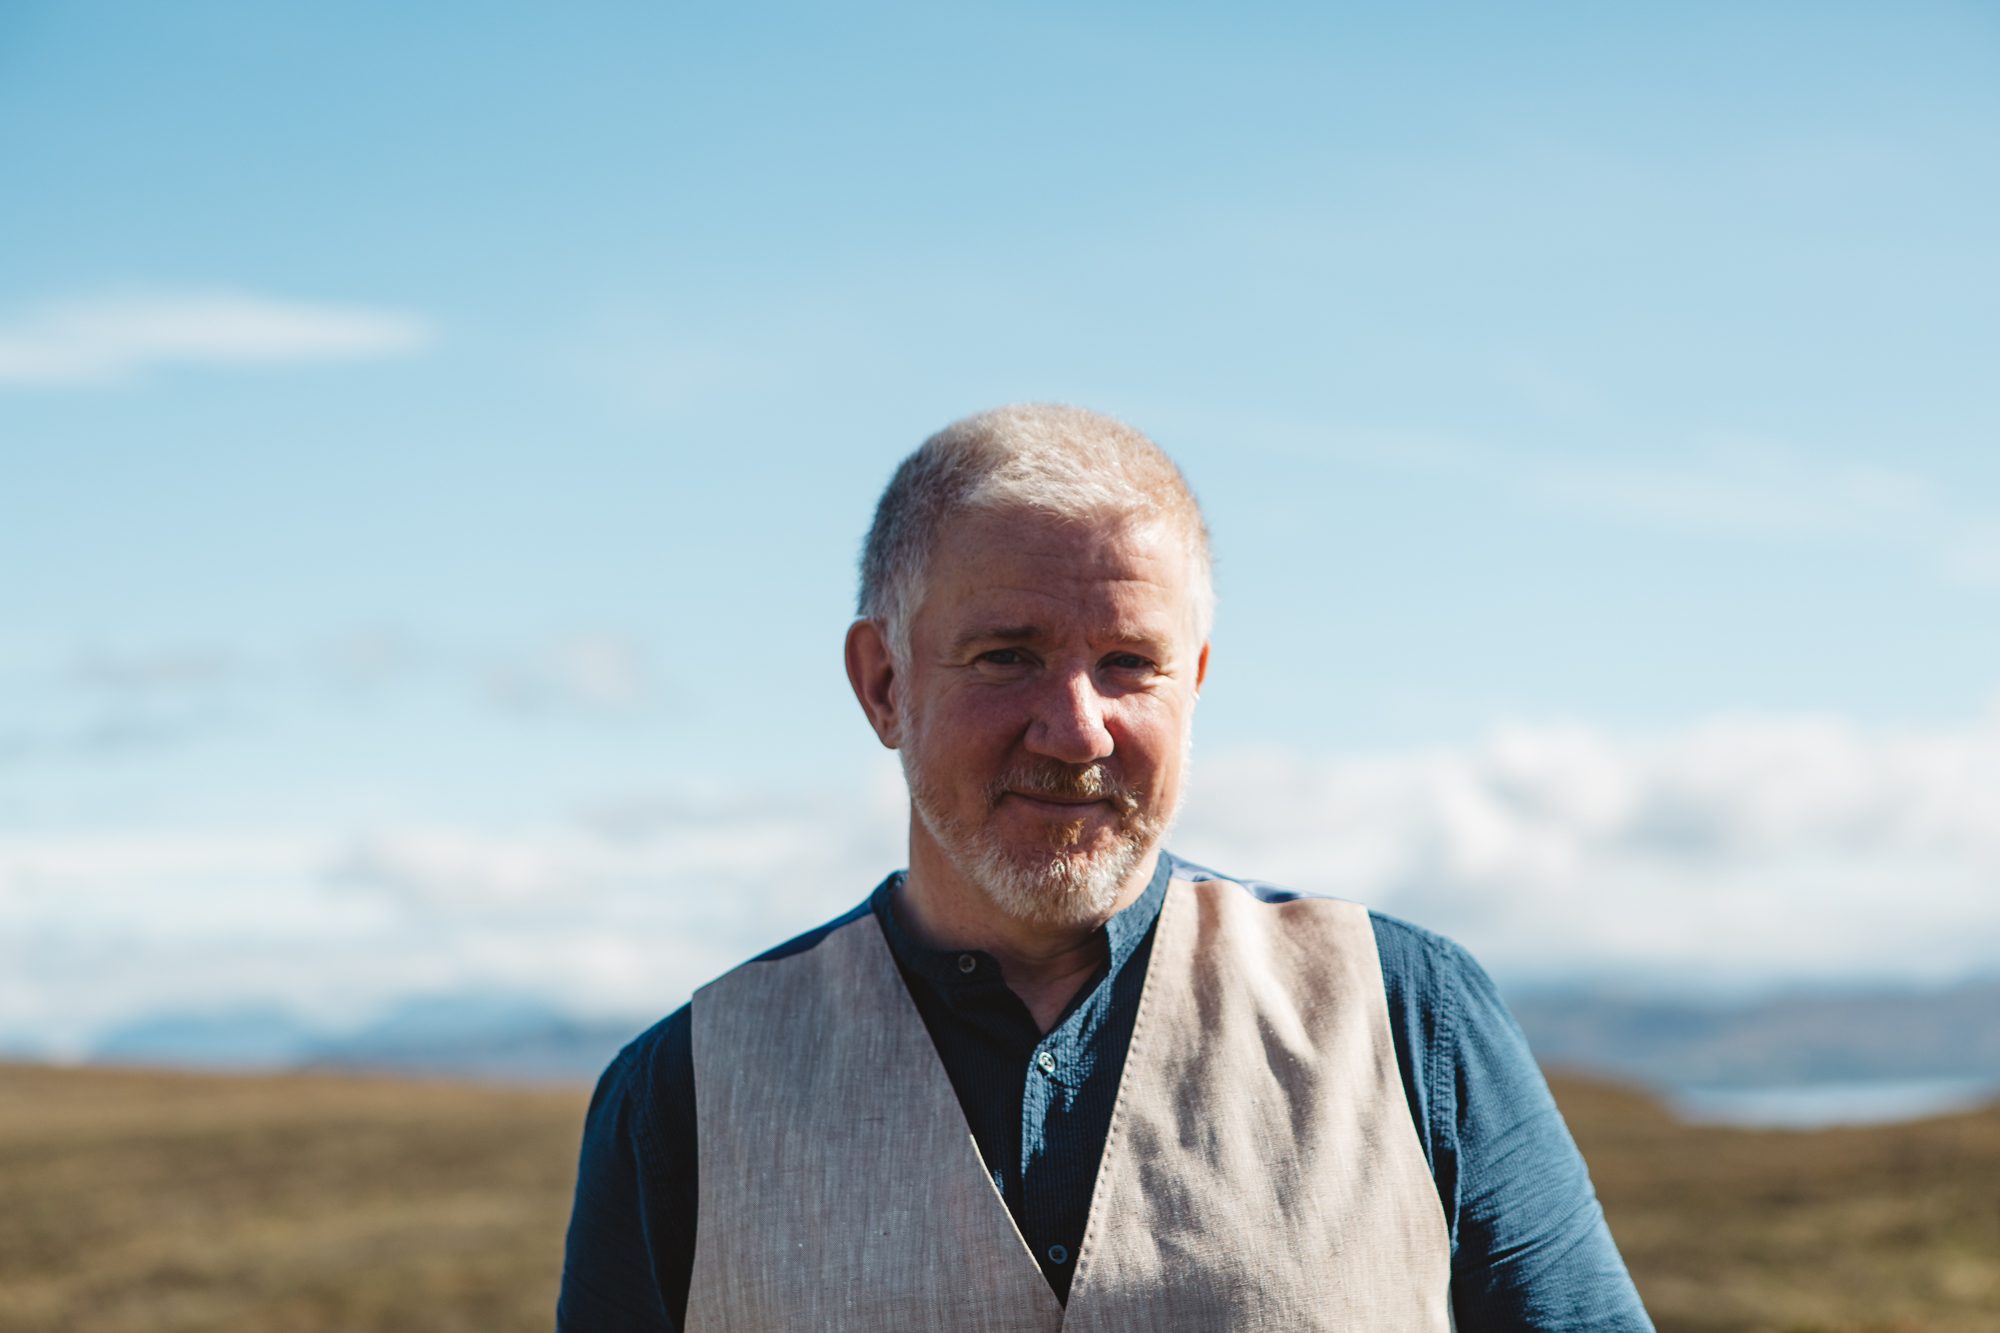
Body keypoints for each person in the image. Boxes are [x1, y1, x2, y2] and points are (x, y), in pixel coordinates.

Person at [557, 405, 1654, 1331]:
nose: (1075, 729)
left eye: (1129, 662)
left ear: (1196, 682)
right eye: (1008, 656)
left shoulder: (1411, 1016)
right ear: (882, 681)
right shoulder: (683, 1091)